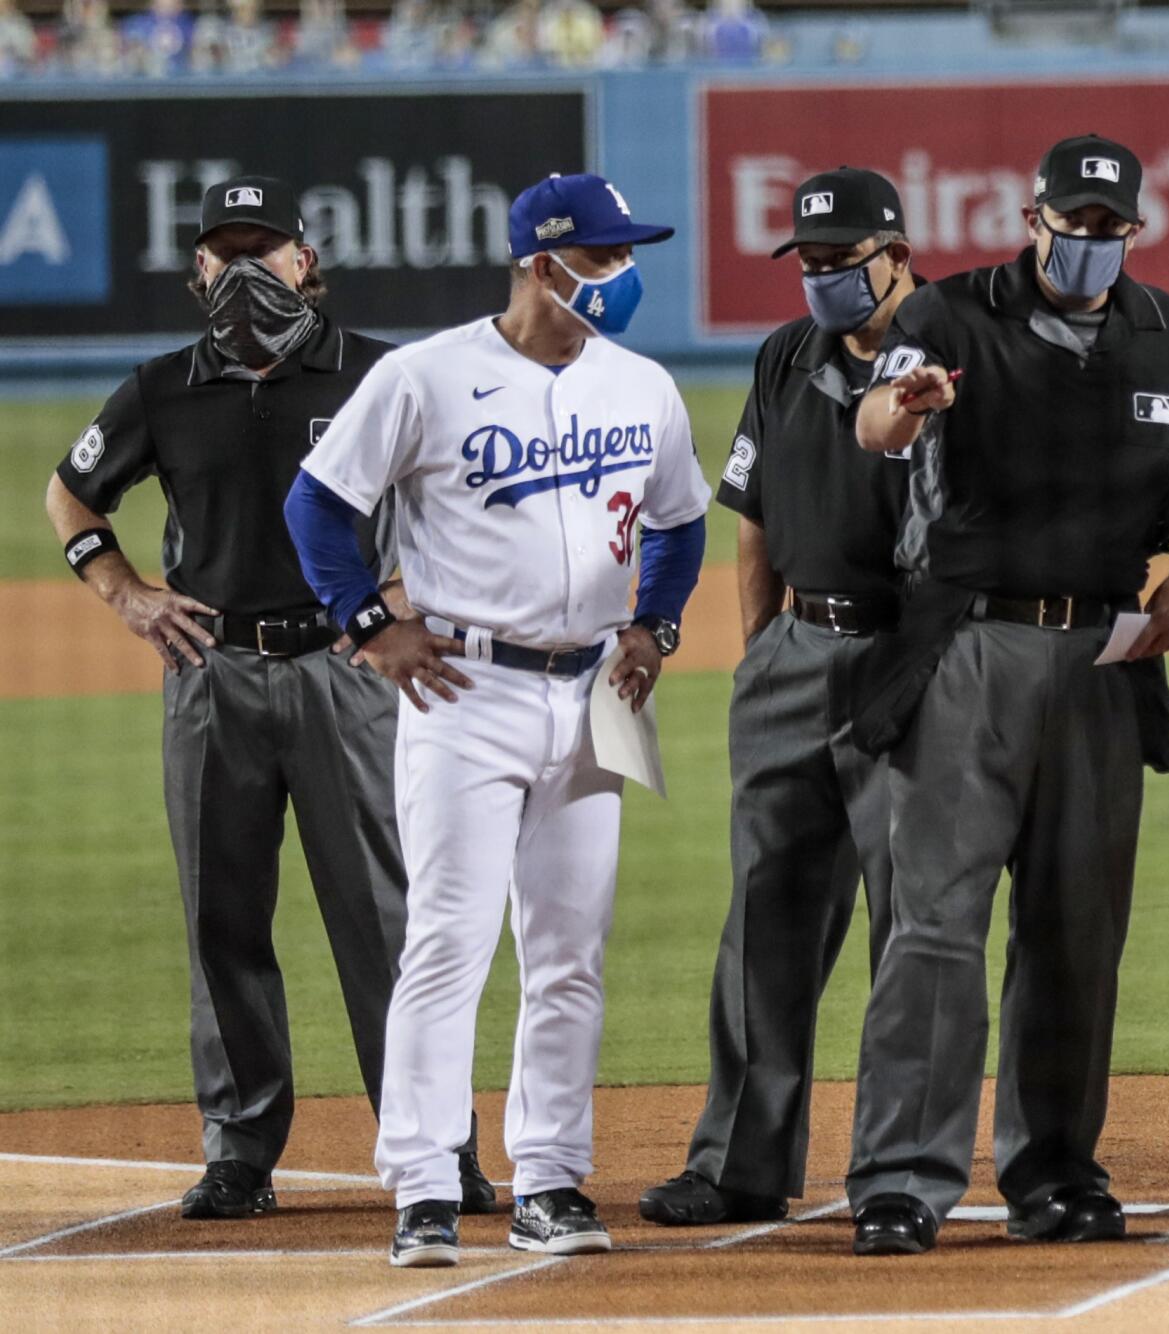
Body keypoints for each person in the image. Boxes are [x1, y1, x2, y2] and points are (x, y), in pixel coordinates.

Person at [43, 175, 494, 1224]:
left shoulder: (382, 372)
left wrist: (402, 595)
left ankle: (434, 1148)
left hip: (349, 675)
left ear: (305, 260)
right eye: (224, 249)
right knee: (224, 917)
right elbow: (72, 489)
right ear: (199, 268)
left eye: (266, 246)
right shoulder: (162, 387)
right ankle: (239, 1149)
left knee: (388, 918)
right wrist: (124, 592)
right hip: (213, 676)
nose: (246, 267)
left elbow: (462, 492)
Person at [283, 171, 711, 1268]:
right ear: (541, 264)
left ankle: (551, 1179)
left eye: (626, 256)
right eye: (604, 258)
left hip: (589, 700)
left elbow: (678, 519)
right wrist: (366, 620)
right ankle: (424, 1186)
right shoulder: (424, 376)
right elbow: (319, 504)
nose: (622, 276)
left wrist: (653, 626)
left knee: (569, 952)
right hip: (463, 692)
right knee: (449, 941)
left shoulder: (642, 386)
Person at [844, 133, 1169, 1256]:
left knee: (1076, 928)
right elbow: (874, 421)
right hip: (967, 647)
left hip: (1105, 657)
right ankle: (900, 1177)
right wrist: (910, 405)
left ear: (1133, 232)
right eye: (1068, 224)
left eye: (1106, 228)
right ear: (1031, 218)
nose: (1085, 243)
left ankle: (1056, 1169)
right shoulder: (946, 319)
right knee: (933, 926)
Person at [638, 167, 920, 1227]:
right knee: (764, 917)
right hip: (796, 652)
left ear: (894, 252)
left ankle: (895, 1170)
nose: (819, 278)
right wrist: (761, 655)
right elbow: (748, 514)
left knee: (913, 927)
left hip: (908, 659)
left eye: (839, 260)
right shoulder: (785, 356)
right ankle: (738, 1161)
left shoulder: (947, 350)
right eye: (805, 260)